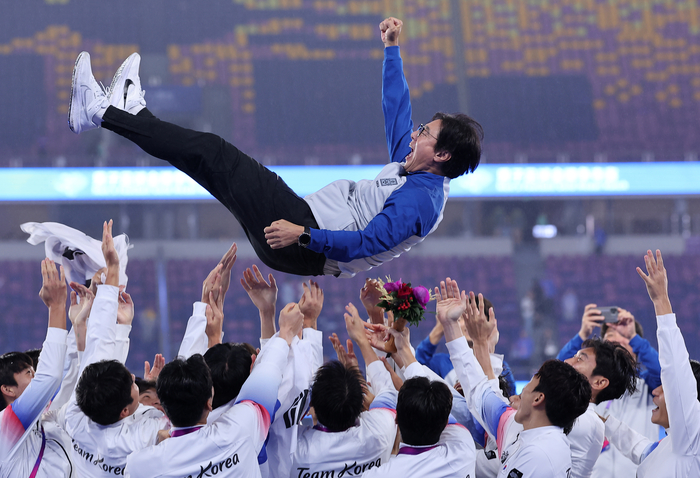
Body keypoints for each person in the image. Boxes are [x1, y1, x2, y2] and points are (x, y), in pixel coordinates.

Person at [67, 17, 483, 278]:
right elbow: (396, 110)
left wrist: (304, 235)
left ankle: (102, 112)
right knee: (204, 161)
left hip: (302, 238)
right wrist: (392, 49)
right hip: (301, 227)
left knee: (214, 153)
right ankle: (131, 113)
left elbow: (366, 243)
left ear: (442, 155)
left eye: (425, 132)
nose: (415, 134)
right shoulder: (412, 168)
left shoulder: (420, 203)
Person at [124, 301, 304, 478]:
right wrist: (285, 332)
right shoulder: (239, 430)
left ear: (162, 406)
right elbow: (266, 377)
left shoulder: (139, 465)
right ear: (209, 403)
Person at [437, 278, 591, 477]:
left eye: (532, 382)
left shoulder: (540, 456)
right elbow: (479, 390)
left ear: (538, 398)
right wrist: (451, 325)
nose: (522, 390)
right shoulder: (521, 428)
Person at [602, 249, 700, 477]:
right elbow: (639, 447)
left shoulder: (691, 437)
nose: (655, 390)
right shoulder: (667, 446)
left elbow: (674, 369)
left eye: (665, 389)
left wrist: (661, 301)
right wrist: (600, 420)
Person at [291, 303, 397, 477]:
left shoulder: (294, 451)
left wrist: (308, 324)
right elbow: (386, 388)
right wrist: (362, 340)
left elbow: (279, 418)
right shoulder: (379, 435)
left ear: (311, 403)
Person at [557, 305, 661, 478]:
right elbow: (558, 375)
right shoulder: (586, 389)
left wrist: (633, 336)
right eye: (611, 337)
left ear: (636, 348)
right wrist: (582, 334)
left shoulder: (649, 386)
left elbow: (665, 372)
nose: (617, 341)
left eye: (624, 336)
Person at [0, 259, 72, 478]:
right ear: (8, 389)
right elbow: (50, 377)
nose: (37, 377)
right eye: (29, 373)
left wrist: (79, 325)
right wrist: (57, 306)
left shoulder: (43, 424)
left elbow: (68, 378)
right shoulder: (5, 425)